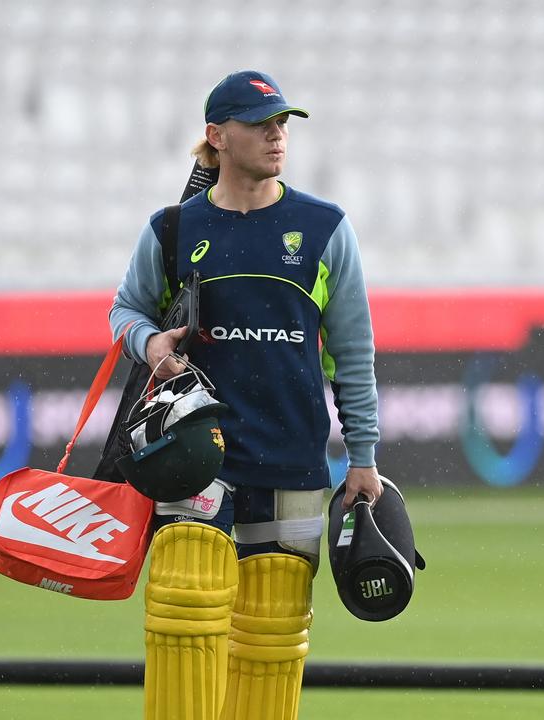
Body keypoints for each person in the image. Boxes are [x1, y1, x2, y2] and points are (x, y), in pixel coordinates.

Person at [109, 69, 382, 720]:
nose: (277, 135)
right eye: (262, 124)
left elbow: (353, 351)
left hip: (292, 457)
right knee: (184, 609)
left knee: (272, 634)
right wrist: (149, 345)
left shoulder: (324, 228)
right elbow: (126, 311)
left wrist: (364, 457)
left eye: (283, 123)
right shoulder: (174, 229)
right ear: (216, 136)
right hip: (195, 450)